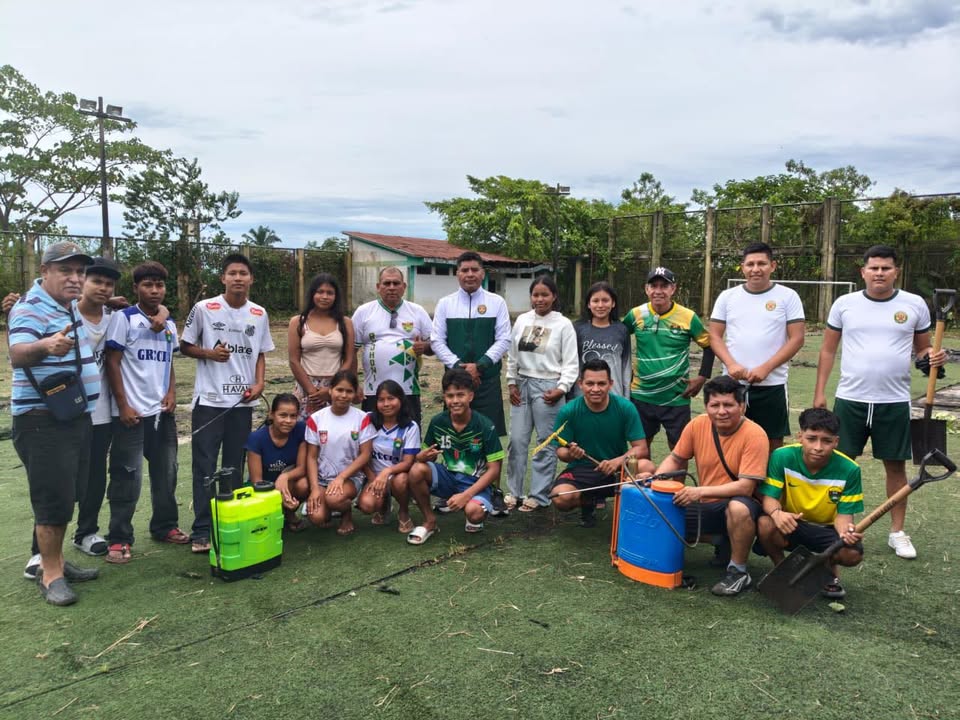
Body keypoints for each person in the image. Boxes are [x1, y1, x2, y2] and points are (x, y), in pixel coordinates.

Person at [814, 244, 945, 560]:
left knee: (895, 467)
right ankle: (836, 525)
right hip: (850, 399)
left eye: (886, 268)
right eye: (873, 268)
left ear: (896, 271)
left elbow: (923, 351)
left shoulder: (914, 304)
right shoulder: (845, 304)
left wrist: (933, 357)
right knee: (840, 465)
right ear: (863, 271)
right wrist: (820, 392)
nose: (879, 273)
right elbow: (828, 350)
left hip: (894, 401)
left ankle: (897, 532)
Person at [9, 242, 101, 605]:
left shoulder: (64, 306)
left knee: (68, 494)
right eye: (67, 271)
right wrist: (46, 346)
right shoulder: (30, 307)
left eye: (80, 272)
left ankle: (59, 561)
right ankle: (50, 575)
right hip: (42, 422)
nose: (76, 278)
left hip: (69, 417)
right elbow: (17, 353)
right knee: (52, 499)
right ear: (45, 271)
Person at [181, 253, 273, 554]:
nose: (237, 278)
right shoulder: (204, 308)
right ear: (223, 278)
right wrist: (210, 353)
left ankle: (227, 523)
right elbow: (185, 346)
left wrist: (259, 384)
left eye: (243, 273)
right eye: (232, 273)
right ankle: (202, 529)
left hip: (242, 404)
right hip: (209, 400)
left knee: (233, 466)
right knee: (204, 466)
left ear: (251, 279)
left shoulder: (259, 313)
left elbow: (260, 353)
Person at [646, 375, 769, 596]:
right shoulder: (698, 424)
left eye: (729, 405)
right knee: (659, 512)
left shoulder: (755, 434)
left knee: (738, 508)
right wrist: (654, 483)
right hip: (708, 505)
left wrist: (699, 491)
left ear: (741, 406)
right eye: (715, 405)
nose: (722, 411)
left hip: (741, 505)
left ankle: (738, 571)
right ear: (706, 406)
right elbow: (675, 458)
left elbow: (745, 488)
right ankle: (721, 540)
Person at [103, 261, 185, 563]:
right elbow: (112, 362)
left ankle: (164, 526)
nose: (154, 290)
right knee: (127, 477)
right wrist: (123, 405)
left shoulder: (169, 324)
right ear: (136, 288)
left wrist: (172, 392)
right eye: (148, 285)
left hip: (162, 414)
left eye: (159, 285)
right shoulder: (124, 319)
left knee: (167, 473)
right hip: (132, 414)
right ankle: (119, 538)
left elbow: (168, 363)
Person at [757, 408, 864, 599]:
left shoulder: (850, 469)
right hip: (792, 524)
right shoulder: (782, 456)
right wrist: (776, 514)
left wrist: (844, 533)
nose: (818, 447)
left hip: (827, 529)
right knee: (765, 523)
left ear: (836, 442)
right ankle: (782, 570)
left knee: (851, 554)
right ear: (800, 437)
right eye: (812, 438)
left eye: (827, 441)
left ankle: (829, 571)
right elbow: (769, 498)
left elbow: (844, 515)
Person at [709, 242, 805, 452]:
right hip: (732, 385)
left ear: (773, 265)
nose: (755, 269)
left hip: (772, 385)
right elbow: (714, 336)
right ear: (742, 267)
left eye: (761, 263)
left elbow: (797, 338)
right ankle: (730, 485)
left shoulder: (788, 296)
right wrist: (731, 364)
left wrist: (766, 368)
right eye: (750, 264)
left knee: (772, 444)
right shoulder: (727, 297)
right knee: (728, 441)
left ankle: (767, 486)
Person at [403, 369, 505, 544]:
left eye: (460, 395)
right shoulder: (437, 422)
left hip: (475, 483)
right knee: (416, 470)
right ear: (444, 397)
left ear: (471, 396)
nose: (455, 401)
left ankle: (473, 507)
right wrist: (422, 457)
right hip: (448, 477)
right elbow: (425, 457)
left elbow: (494, 469)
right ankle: (430, 521)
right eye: (450, 396)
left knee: (474, 514)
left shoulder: (485, 425)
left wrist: (466, 495)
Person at [550, 359, 655, 527]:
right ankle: (587, 501)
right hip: (582, 470)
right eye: (590, 383)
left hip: (617, 470)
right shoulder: (569, 411)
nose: (596, 389)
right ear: (580, 384)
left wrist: (617, 461)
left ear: (611, 384)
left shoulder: (625, 407)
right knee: (561, 498)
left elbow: (641, 448)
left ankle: (631, 514)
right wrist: (570, 453)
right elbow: (560, 452)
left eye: (601, 383)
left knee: (646, 467)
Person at [504, 275, 579, 512]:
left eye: (545, 295)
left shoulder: (563, 324)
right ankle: (514, 492)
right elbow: (513, 356)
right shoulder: (523, 320)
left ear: (554, 296)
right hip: (522, 385)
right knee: (517, 441)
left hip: (549, 387)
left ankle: (539, 494)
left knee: (545, 444)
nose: (539, 299)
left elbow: (571, 362)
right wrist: (511, 383)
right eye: (535, 295)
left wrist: (561, 388)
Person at [623, 267, 715, 449]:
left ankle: (674, 479)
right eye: (653, 286)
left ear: (673, 289)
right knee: (640, 447)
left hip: (677, 395)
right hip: (642, 395)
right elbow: (617, 338)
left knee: (679, 448)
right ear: (646, 289)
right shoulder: (636, 314)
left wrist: (702, 377)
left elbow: (709, 346)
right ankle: (644, 478)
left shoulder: (688, 317)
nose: (658, 291)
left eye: (664, 286)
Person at [431, 251, 511, 438]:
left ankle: (489, 469)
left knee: (488, 437)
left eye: (474, 269)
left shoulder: (497, 302)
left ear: (482, 273)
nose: (470, 274)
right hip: (455, 385)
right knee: (455, 436)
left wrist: (480, 366)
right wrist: (460, 368)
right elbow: (436, 340)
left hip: (487, 382)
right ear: (457, 273)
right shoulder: (445, 303)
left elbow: (504, 338)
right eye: (464, 270)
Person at [352, 267, 432, 427]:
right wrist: (354, 384)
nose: (391, 287)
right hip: (373, 392)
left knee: (409, 437)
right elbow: (350, 351)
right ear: (378, 287)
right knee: (372, 438)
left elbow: (433, 346)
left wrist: (424, 347)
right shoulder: (363, 312)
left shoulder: (417, 311)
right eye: (386, 283)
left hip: (408, 391)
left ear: (404, 287)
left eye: (396, 283)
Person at [303, 370, 374, 536]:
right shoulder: (316, 418)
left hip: (350, 478)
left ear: (355, 393)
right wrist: (314, 488)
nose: (343, 395)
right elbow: (311, 456)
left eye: (349, 391)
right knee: (318, 517)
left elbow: (365, 454)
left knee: (334, 499)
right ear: (330, 390)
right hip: (322, 478)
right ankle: (329, 506)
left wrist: (341, 478)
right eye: (339, 390)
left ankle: (346, 513)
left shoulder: (362, 418)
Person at [355, 380, 422, 531]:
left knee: (401, 480)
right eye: (381, 399)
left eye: (391, 398)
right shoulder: (368, 419)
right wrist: (373, 478)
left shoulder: (410, 426)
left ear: (401, 400)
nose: (386, 404)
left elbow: (408, 462)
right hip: (373, 476)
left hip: (398, 475)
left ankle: (404, 512)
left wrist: (387, 472)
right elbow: (361, 454)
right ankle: (383, 507)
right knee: (367, 505)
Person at [288, 273, 355, 420]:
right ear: (312, 294)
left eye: (330, 293)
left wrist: (331, 388)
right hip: (306, 386)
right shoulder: (298, 322)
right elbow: (293, 360)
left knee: (336, 431)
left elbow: (349, 359)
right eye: (320, 292)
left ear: (336, 296)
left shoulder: (345, 323)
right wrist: (312, 391)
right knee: (305, 433)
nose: (324, 297)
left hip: (336, 387)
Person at [246, 394, 308, 532]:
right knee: (266, 526)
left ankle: (290, 513)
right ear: (271, 415)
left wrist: (284, 477)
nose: (288, 420)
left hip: (289, 483)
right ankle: (275, 514)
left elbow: (302, 468)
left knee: (304, 484)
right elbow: (257, 482)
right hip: (265, 489)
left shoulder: (301, 430)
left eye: (293, 416)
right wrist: (278, 497)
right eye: (283, 415)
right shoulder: (256, 438)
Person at [570, 281, 631, 399]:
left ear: (613, 303)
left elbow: (626, 368)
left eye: (605, 300)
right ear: (588, 304)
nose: (600, 305)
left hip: (614, 397)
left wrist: (626, 398)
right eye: (595, 301)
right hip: (582, 397)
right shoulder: (577, 329)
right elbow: (569, 364)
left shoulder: (622, 330)